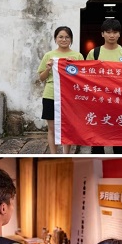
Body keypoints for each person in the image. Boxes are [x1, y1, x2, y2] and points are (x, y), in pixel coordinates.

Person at [85, 18, 122, 154]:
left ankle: (121, 164)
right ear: (102, 34)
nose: (111, 35)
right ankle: (97, 164)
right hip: (99, 102)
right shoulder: (94, 53)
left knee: (121, 141)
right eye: (108, 32)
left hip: (120, 102)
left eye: (115, 32)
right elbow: (85, 77)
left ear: (119, 34)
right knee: (97, 141)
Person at [37, 26, 84, 154]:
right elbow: (41, 78)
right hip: (51, 95)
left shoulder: (77, 56)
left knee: (67, 128)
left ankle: (66, 154)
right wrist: (48, 68)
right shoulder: (49, 55)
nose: (64, 40)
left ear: (71, 39)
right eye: (61, 37)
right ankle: (53, 155)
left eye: (67, 37)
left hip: (70, 96)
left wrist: (74, 65)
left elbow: (83, 77)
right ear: (56, 39)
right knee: (52, 128)